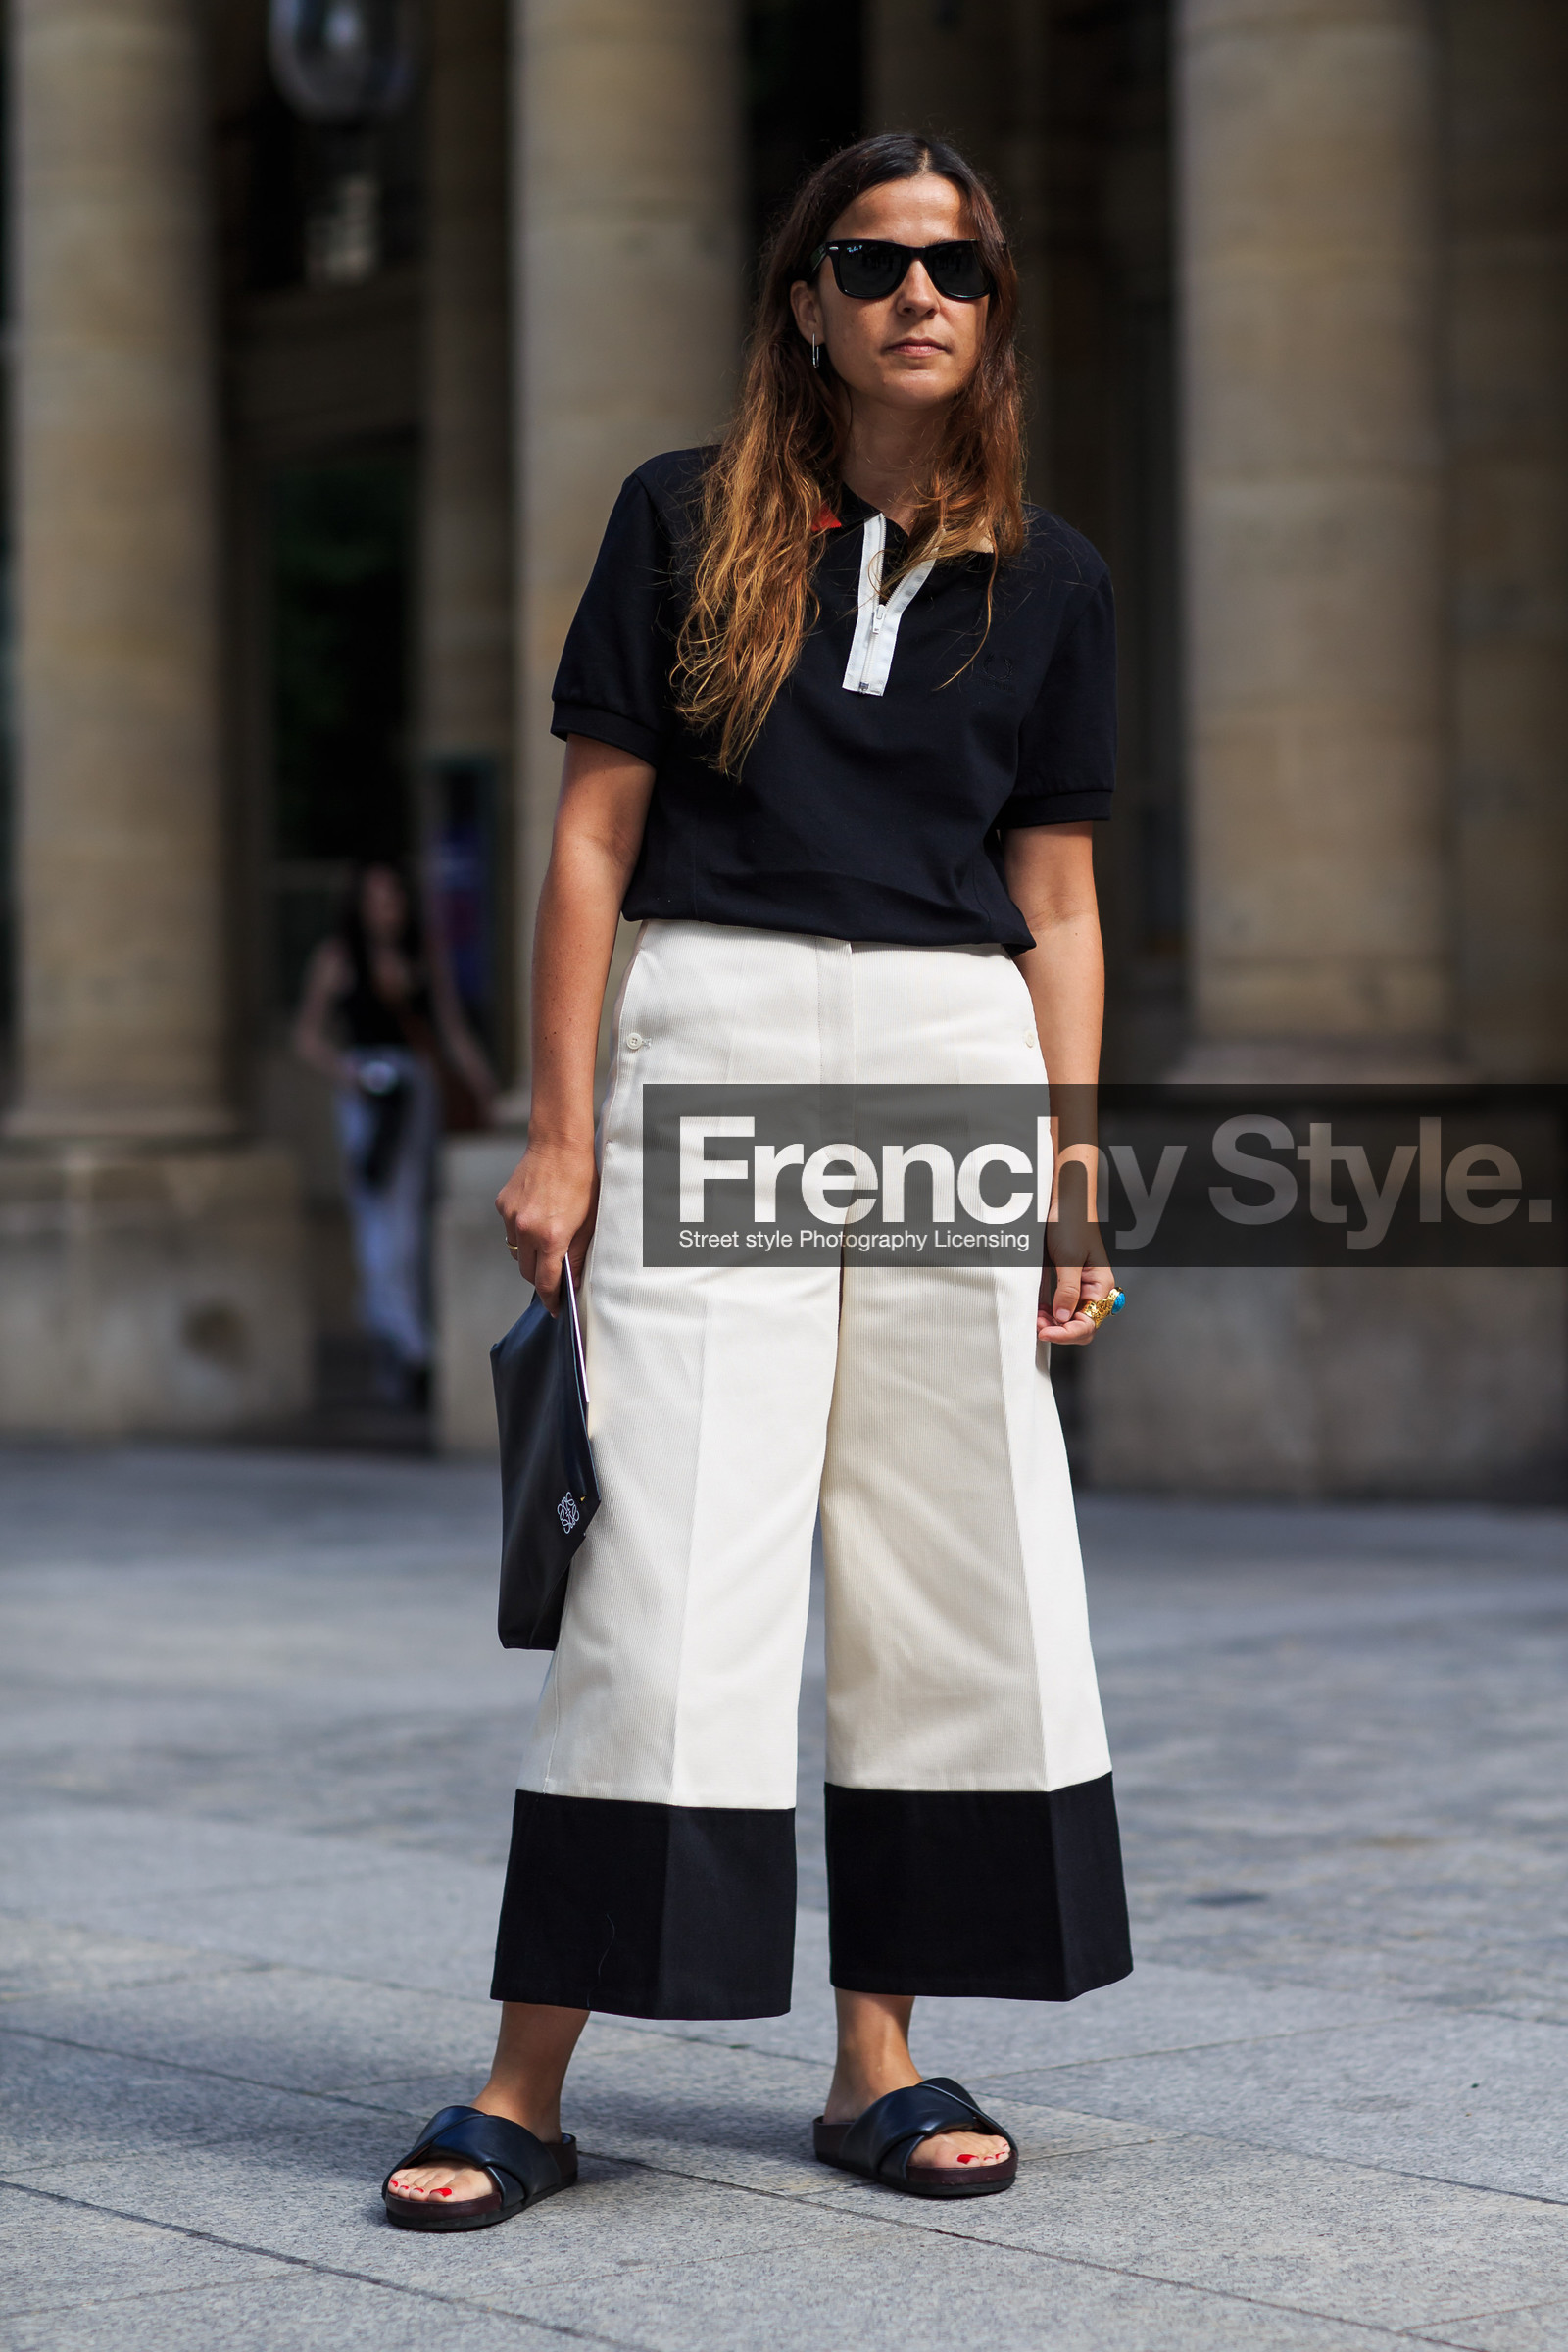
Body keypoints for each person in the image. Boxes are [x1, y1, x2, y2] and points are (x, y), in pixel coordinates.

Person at [383, 130, 1131, 2230]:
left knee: (944, 1559)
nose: (917, 293)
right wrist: (553, 1132)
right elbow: (593, 843)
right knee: (667, 1561)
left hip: (945, 1058)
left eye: (957, 266)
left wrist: (1071, 1173)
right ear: (801, 298)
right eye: (871, 259)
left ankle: (874, 2058)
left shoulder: (1048, 576)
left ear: (990, 310)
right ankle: (525, 2083)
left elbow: (1056, 904)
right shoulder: (677, 520)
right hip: (710, 1041)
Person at [294, 858, 495, 1406]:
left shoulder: (422, 959)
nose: (386, 909)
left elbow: (449, 1029)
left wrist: (485, 1091)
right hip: (367, 1090)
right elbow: (308, 1037)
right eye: (375, 898)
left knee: (409, 1212)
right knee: (377, 1211)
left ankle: (404, 1337)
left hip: (414, 1088)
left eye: (393, 898)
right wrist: (349, 1073)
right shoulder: (338, 960)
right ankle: (400, 1337)